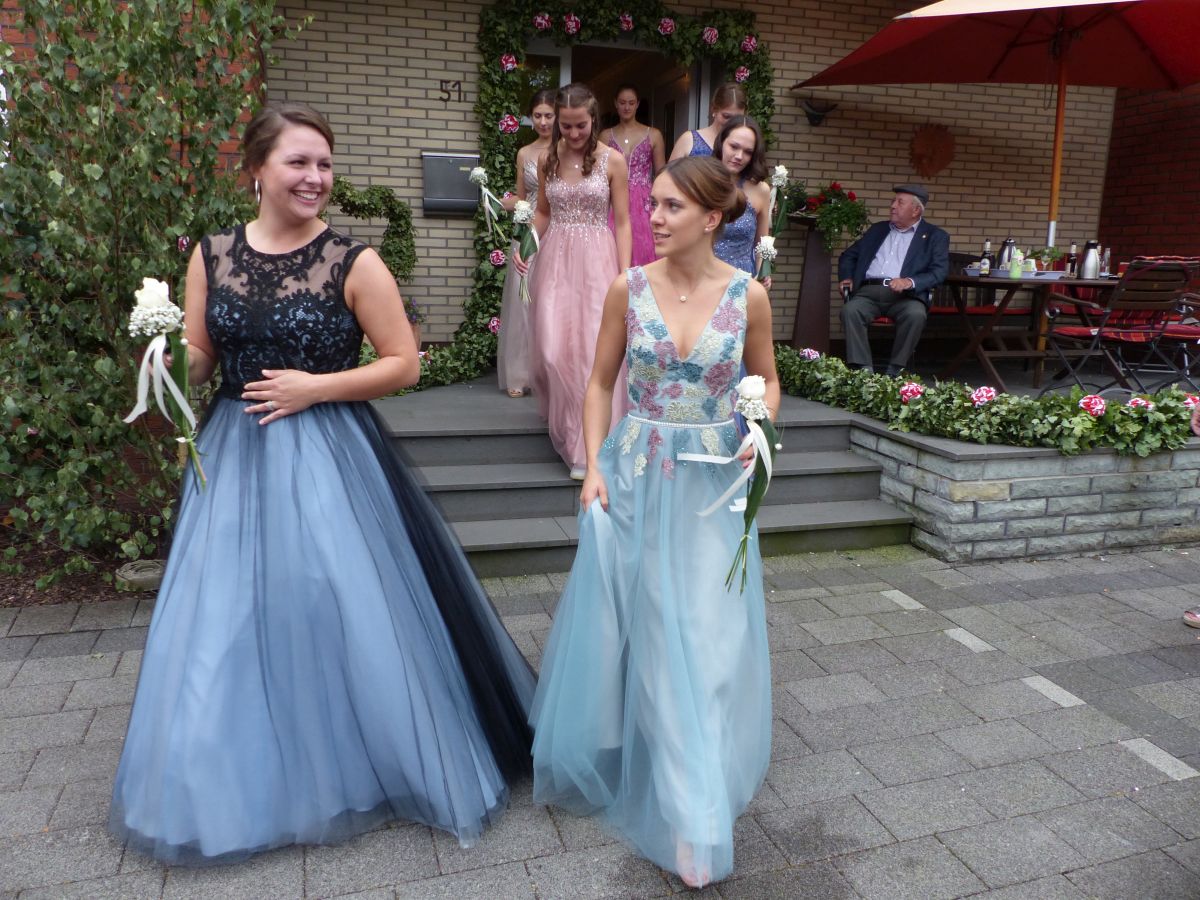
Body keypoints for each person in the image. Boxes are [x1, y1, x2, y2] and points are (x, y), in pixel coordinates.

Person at [109, 103, 536, 865]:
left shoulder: (352, 260)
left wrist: (316, 387)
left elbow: (404, 363)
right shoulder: (212, 254)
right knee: (225, 613)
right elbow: (202, 356)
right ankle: (226, 778)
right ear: (256, 169)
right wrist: (166, 362)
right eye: (298, 162)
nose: (315, 177)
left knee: (338, 602)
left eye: (324, 164)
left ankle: (367, 756)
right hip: (235, 453)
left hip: (329, 453)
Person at [530, 156, 776, 889]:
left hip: (714, 488)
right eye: (654, 204)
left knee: (709, 640)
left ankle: (699, 789)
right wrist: (593, 466)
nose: (654, 218)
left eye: (671, 207)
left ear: (711, 217)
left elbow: (766, 382)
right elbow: (599, 383)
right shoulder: (627, 288)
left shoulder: (750, 296)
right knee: (651, 632)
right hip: (637, 475)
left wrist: (759, 431)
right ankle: (684, 804)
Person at [516, 82, 631, 478]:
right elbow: (543, 213)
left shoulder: (613, 161)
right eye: (566, 126)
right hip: (555, 260)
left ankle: (588, 448)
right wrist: (527, 243)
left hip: (599, 260)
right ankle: (567, 427)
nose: (574, 133)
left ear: (593, 119)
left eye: (580, 125)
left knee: (591, 351)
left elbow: (623, 221)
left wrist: (626, 274)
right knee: (551, 349)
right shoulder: (548, 159)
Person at [837, 184, 950, 376]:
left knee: (916, 314)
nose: (893, 206)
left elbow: (939, 272)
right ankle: (862, 370)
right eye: (893, 201)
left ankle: (895, 370)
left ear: (916, 210)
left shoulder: (935, 236)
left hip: (905, 297)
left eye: (900, 202)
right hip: (868, 293)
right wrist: (846, 276)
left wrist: (910, 282)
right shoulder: (878, 230)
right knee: (850, 310)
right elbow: (849, 255)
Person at [498, 89, 555, 397]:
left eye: (549, 115)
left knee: (550, 299)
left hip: (558, 227)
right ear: (530, 118)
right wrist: (495, 202)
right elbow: (521, 196)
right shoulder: (524, 153)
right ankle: (520, 374)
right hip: (528, 228)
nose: (543, 122)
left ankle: (548, 373)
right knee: (523, 301)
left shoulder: (565, 150)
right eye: (538, 116)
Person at [599, 84, 666, 267]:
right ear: (615, 103)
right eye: (622, 103)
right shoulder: (605, 136)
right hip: (613, 198)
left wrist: (660, 203)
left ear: (637, 104)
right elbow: (599, 172)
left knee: (645, 246)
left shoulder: (654, 135)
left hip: (644, 201)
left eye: (631, 103)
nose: (626, 107)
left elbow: (662, 174)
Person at [711, 115, 773, 289]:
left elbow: (762, 243)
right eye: (734, 146)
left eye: (747, 152)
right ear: (721, 142)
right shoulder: (701, 180)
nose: (739, 156)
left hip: (741, 281)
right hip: (703, 277)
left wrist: (763, 272)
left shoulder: (760, 190)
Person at [667, 83, 748, 161]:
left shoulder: (746, 144)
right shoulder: (689, 140)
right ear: (714, 109)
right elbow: (669, 170)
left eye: (738, 118)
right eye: (726, 116)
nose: (731, 122)